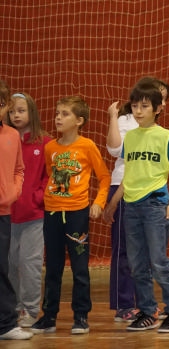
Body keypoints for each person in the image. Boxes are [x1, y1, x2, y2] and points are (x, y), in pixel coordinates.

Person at [103, 81, 169, 333]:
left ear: (157, 109)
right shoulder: (130, 139)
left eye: (144, 106)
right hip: (131, 207)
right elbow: (129, 174)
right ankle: (149, 311)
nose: (138, 111)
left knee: (158, 261)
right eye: (135, 106)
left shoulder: (165, 136)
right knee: (137, 264)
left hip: (154, 206)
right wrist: (113, 203)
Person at [31, 96, 111, 335]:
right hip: (52, 213)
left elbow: (104, 177)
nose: (58, 117)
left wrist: (98, 203)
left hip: (77, 214)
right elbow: (49, 175)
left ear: (79, 121)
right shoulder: (50, 148)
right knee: (52, 267)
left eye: (65, 114)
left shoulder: (87, 146)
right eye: (57, 113)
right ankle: (49, 316)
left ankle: (81, 316)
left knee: (80, 268)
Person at [7, 92, 51, 329]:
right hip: (7, 214)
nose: (16, 115)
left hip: (34, 215)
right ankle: (11, 308)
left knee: (29, 263)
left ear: (31, 112)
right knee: (9, 263)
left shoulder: (44, 143)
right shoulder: (6, 140)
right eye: (12, 111)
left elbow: (50, 176)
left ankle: (30, 309)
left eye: (21, 110)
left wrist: (38, 198)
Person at [0, 81, 34, 341]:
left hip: (3, 213)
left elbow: (19, 169)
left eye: (1, 104)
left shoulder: (11, 135)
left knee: (2, 268)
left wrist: (13, 191)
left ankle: (6, 324)